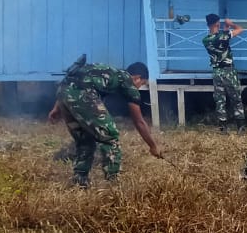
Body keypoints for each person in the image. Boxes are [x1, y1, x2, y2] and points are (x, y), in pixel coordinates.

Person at [49, 55, 163, 187]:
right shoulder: (127, 81)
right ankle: (112, 182)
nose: (139, 87)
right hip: (82, 94)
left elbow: (73, 80)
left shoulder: (108, 72)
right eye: (142, 83)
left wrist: (57, 107)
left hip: (63, 92)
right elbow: (139, 121)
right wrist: (153, 146)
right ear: (137, 77)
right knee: (110, 135)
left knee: (84, 139)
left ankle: (80, 179)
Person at [203, 14, 245, 132]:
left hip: (217, 72)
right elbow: (240, 29)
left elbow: (221, 41)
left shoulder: (205, 40)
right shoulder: (223, 36)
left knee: (220, 100)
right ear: (217, 23)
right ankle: (240, 127)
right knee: (236, 98)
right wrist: (230, 23)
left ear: (208, 24)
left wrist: (225, 28)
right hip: (228, 71)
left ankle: (223, 127)